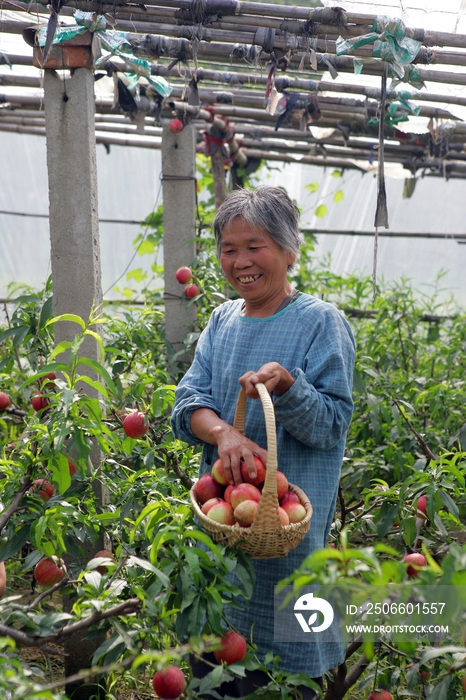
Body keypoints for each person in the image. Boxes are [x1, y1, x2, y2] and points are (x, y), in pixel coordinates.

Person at [171, 186, 356, 698]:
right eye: (229, 249)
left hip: (290, 544)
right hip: (224, 538)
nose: (240, 261)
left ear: (288, 249)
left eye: (255, 246)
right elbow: (188, 401)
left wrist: (292, 388)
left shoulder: (321, 323)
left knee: (288, 675)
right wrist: (225, 432)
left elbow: (331, 425)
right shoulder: (222, 321)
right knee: (218, 669)